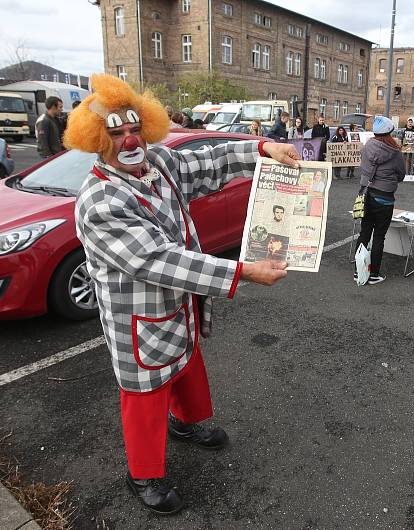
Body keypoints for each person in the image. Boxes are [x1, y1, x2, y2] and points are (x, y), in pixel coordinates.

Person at [64, 74, 298, 515]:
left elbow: (208, 161)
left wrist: (263, 149)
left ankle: (186, 424)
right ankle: (144, 474)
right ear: (97, 141)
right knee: (146, 390)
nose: (130, 140)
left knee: (187, 362)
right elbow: (161, 261)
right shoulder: (100, 203)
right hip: (138, 317)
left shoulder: (159, 164)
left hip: (177, 306)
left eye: (135, 129)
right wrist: (243, 272)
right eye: (116, 134)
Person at [354, 116, 405, 285]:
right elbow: (401, 175)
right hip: (384, 198)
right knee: (379, 237)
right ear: (390, 132)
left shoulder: (367, 146)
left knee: (364, 233)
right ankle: (374, 273)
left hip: (366, 195)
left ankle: (358, 271)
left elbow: (364, 167)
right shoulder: (395, 152)